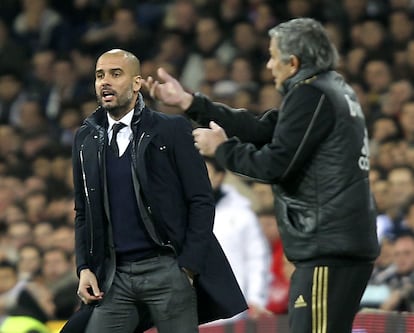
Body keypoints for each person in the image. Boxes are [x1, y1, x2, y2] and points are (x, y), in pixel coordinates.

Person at [144, 17, 380, 333]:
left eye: (273, 56)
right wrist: (190, 103)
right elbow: (260, 129)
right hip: (338, 245)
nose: (268, 65)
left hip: (328, 248)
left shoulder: (312, 95)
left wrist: (222, 150)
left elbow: (274, 164)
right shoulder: (330, 90)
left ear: (293, 61)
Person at [63, 49, 247, 333]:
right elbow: (83, 211)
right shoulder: (86, 138)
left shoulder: (171, 130)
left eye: (115, 74)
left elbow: (200, 200)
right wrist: (84, 267)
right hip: (115, 275)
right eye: (100, 75)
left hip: (167, 270)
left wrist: (188, 267)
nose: (105, 82)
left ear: (137, 83)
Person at [203, 156, 270, 322]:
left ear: (219, 177)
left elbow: (256, 258)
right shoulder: (181, 213)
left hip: (235, 308)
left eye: (206, 173)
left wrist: (256, 298)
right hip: (195, 305)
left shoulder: (242, 213)